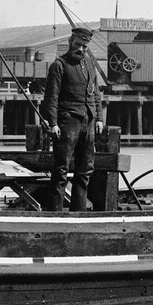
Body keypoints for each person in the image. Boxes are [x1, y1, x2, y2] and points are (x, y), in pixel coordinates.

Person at [40, 26, 102, 210]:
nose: (81, 49)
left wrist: (99, 118)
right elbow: (51, 98)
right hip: (68, 123)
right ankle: (55, 213)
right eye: (78, 44)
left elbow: (96, 94)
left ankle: (78, 212)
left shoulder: (90, 64)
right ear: (70, 42)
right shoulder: (59, 66)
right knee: (61, 171)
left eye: (85, 46)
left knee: (84, 171)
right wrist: (53, 123)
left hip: (88, 123)